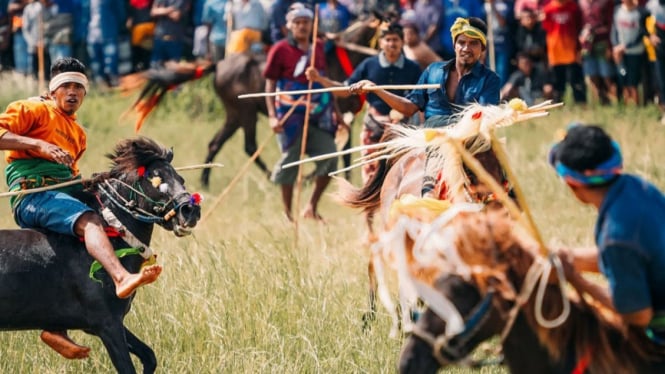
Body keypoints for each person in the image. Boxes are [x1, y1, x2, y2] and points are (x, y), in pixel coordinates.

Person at [0, 57, 162, 359]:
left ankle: (55, 326)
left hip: (63, 193)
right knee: (89, 221)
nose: (72, 92)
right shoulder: (32, 109)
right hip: (35, 196)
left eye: (78, 87)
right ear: (52, 91)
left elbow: (72, 176)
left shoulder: (78, 133)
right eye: (66, 86)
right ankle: (121, 277)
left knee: (105, 217)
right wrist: (38, 146)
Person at [349, 17, 500, 198]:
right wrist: (376, 89)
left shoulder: (490, 79)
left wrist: (459, 132)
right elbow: (409, 107)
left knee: (502, 187)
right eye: (462, 42)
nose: (466, 48)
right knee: (430, 186)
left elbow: (483, 115)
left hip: (472, 140)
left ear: (482, 49)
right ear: (454, 45)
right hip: (436, 137)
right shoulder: (433, 71)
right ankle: (428, 193)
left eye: (473, 43)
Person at [552, 124, 665, 345]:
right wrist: (570, 258)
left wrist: (578, 280)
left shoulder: (616, 237)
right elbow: (641, 256)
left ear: (572, 185)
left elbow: (638, 315)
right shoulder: (639, 187)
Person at [306, 22, 422, 182]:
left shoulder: (413, 68)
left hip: (402, 129)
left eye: (395, 40)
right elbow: (346, 90)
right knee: (371, 179)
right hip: (373, 127)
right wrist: (320, 79)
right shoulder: (369, 65)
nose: (391, 44)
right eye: (387, 40)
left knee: (401, 178)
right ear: (381, 43)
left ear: (402, 42)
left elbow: (418, 100)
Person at [263, 3, 338, 222]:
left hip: (319, 111)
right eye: (297, 23)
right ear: (289, 26)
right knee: (291, 162)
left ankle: (311, 207)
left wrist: (338, 114)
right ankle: (288, 214)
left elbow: (325, 83)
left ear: (312, 25)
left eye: (306, 22)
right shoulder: (279, 49)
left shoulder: (319, 48)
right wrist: (271, 115)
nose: (302, 26)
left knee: (330, 156)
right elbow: (270, 85)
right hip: (289, 113)